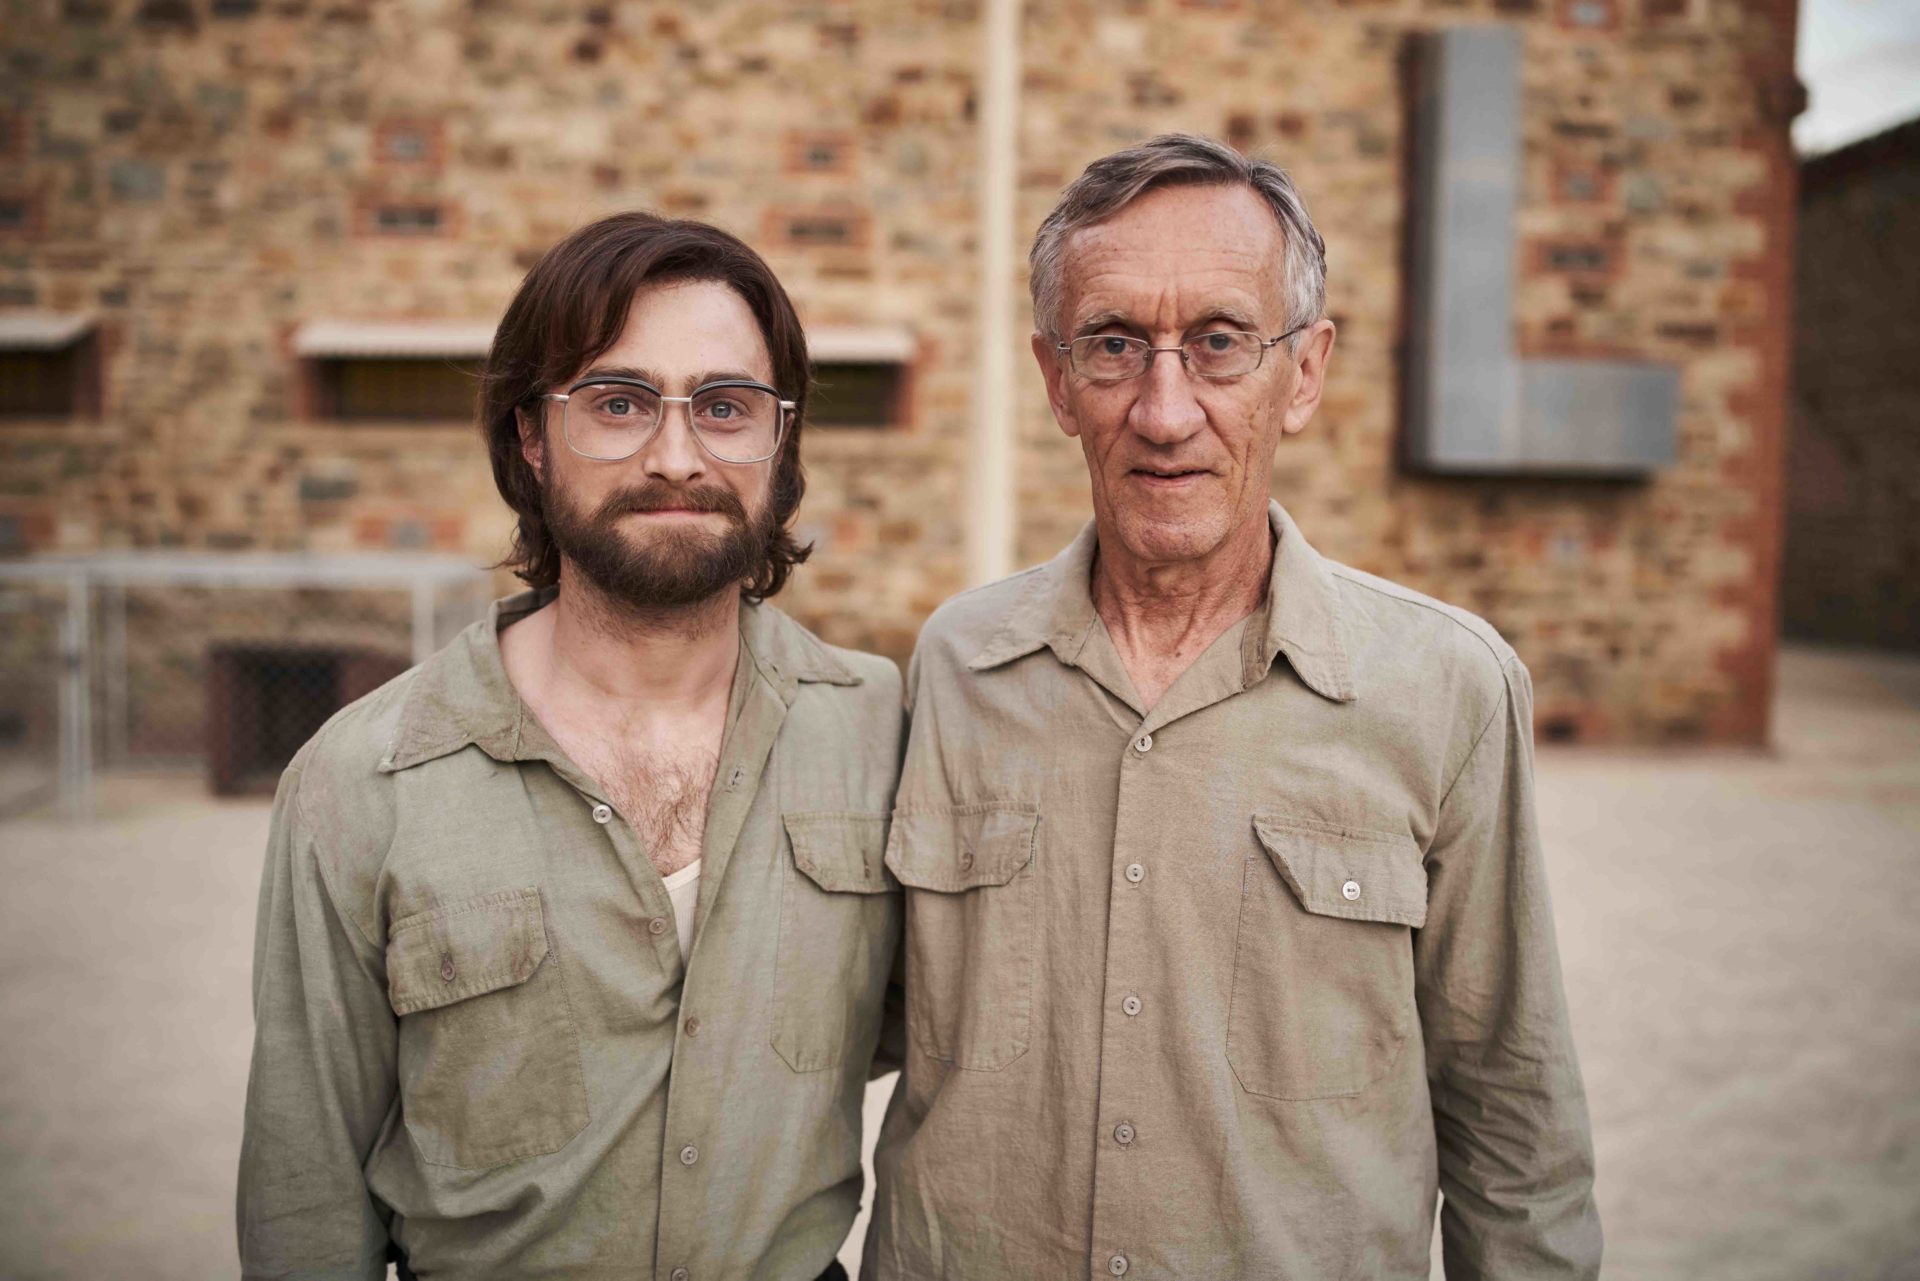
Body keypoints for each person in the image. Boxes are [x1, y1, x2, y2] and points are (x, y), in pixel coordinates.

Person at [864, 134, 1601, 1280]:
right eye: (1114, 346)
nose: (1165, 411)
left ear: (1302, 373)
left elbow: (1512, 1113)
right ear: (1058, 381)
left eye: (1218, 344)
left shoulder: (1446, 687)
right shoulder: (957, 665)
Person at [238, 212, 901, 1280]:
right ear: (530, 438)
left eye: (726, 408)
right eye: (619, 403)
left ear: (780, 444)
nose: (676, 455)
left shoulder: (883, 733)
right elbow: (304, 1191)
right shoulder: (362, 779)